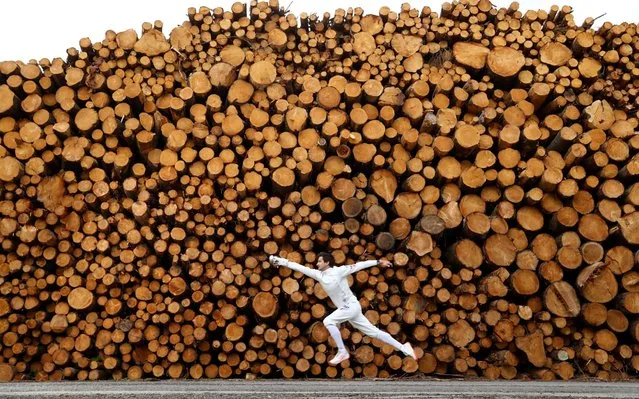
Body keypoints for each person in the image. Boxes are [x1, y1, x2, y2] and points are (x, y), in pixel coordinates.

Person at [269, 252, 417, 365]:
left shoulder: (339, 271)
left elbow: (359, 265)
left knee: (328, 321)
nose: (317, 262)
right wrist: (279, 261)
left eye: (320, 260)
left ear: (327, 262)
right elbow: (298, 267)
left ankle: (342, 351)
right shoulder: (319, 275)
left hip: (351, 306)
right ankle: (405, 348)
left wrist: (379, 262)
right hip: (349, 310)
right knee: (374, 333)